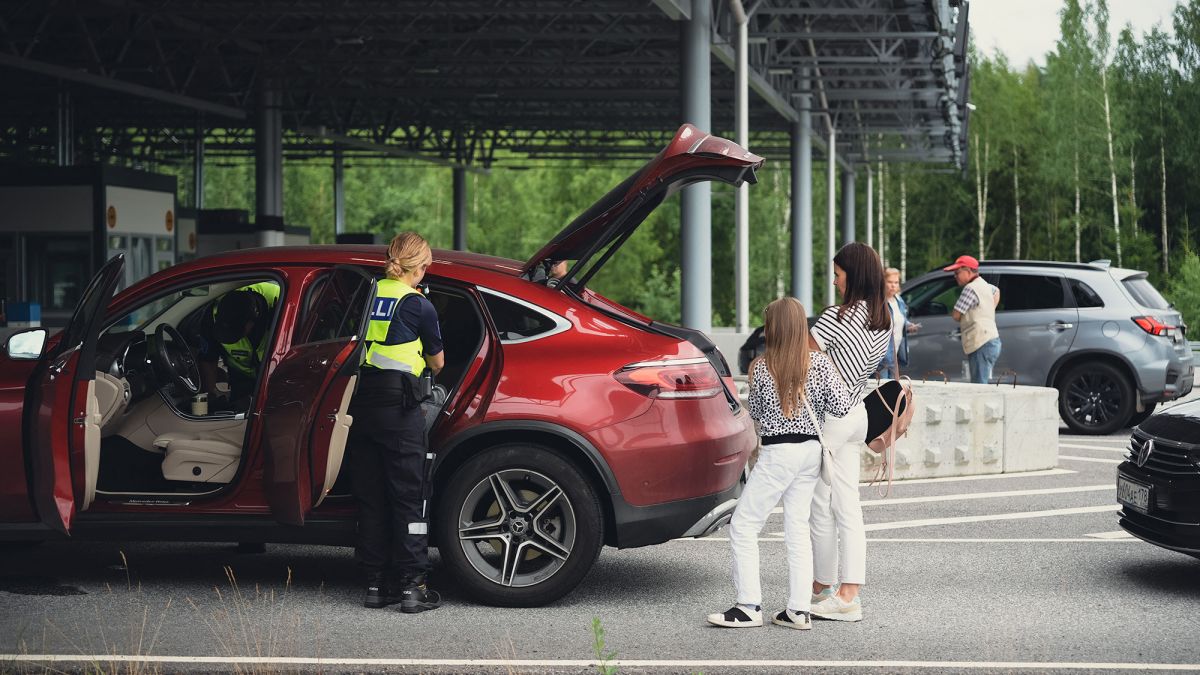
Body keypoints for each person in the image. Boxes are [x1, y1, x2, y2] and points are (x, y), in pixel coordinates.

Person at [707, 297, 852, 630]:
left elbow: (756, 414)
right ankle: (797, 610)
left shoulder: (761, 366)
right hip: (809, 453)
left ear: (772, 328)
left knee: (744, 525)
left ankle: (748, 606)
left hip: (778, 454)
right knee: (797, 529)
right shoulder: (820, 363)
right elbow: (842, 407)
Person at [348, 231, 445, 613]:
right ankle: (412, 586)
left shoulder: (367, 295)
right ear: (421, 267)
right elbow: (437, 363)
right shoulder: (419, 305)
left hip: (360, 406)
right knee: (409, 500)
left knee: (370, 499)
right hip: (400, 409)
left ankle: (375, 585)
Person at [807, 242, 890, 623]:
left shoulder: (836, 318)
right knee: (839, 504)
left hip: (830, 419)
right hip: (857, 414)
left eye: (838, 274)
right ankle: (833, 589)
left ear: (852, 275)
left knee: (823, 507)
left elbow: (802, 362)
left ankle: (838, 592)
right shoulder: (884, 317)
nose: (835, 281)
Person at [198, 281, 280, 409]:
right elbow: (208, 359)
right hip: (240, 377)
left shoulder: (282, 301)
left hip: (276, 380)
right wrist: (210, 397)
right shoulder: (212, 314)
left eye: (235, 333)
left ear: (251, 322)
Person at [944, 255, 1002, 385]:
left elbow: (956, 315)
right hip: (991, 340)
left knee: (979, 386)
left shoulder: (970, 288)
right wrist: (988, 308)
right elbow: (996, 291)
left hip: (981, 343)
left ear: (968, 271)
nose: (955, 276)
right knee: (982, 382)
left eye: (957, 272)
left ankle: (980, 406)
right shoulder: (984, 285)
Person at [878, 267, 919, 379]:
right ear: (883, 282)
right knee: (882, 389)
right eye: (890, 282)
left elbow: (901, 319)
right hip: (882, 356)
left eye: (896, 282)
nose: (893, 285)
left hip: (894, 353)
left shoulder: (898, 299)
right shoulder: (879, 303)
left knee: (893, 388)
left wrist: (909, 325)